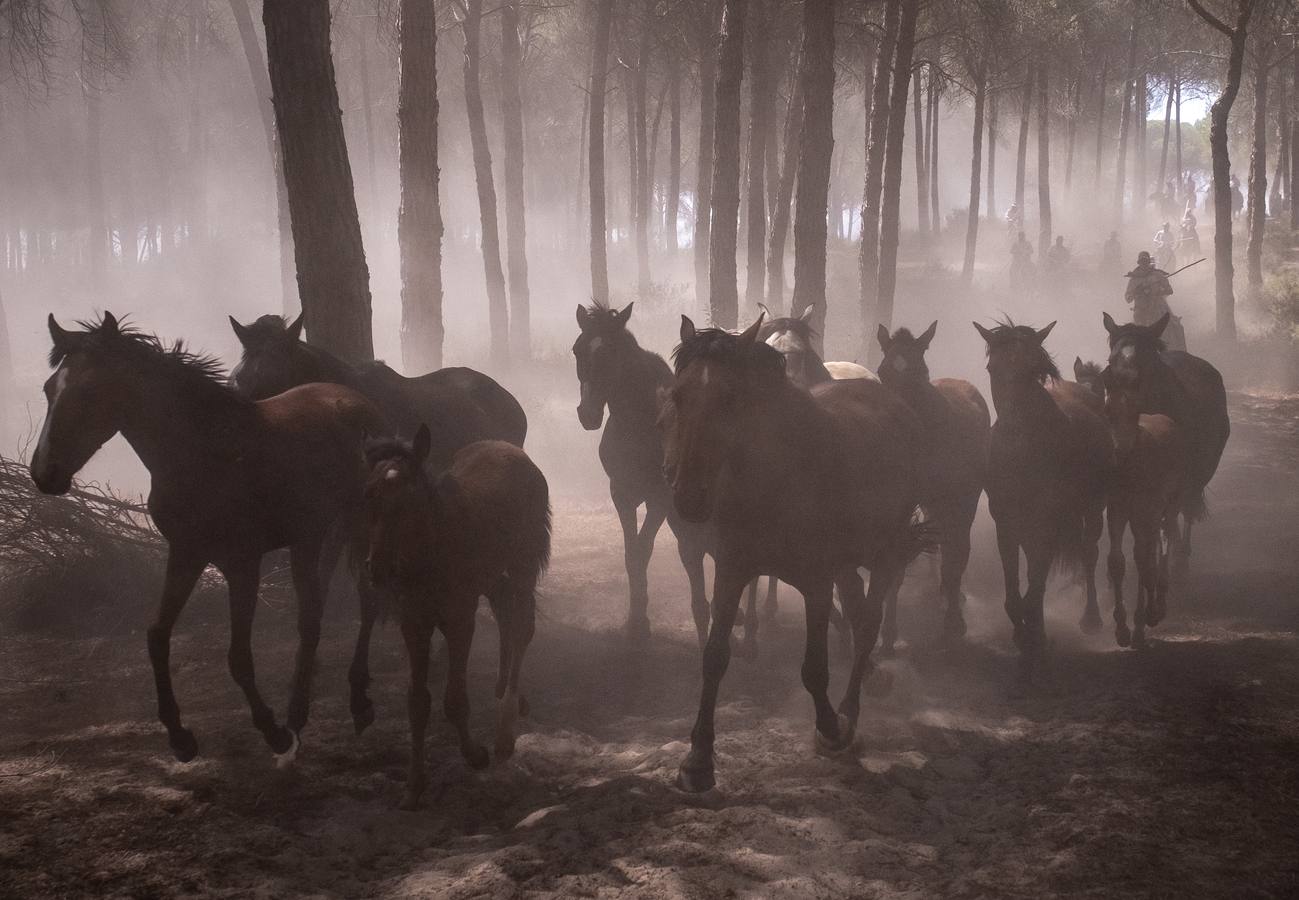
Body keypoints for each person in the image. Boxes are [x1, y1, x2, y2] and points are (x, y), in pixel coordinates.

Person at [1124, 250, 1186, 351]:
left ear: (1149, 262)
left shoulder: (1157, 275)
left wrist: (1159, 292)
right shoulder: (1134, 280)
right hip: (1141, 311)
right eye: (1142, 262)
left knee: (1176, 327)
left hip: (1158, 308)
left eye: (1146, 261)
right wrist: (1136, 291)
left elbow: (1170, 290)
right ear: (1139, 263)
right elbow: (1128, 298)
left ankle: (1179, 350)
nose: (1144, 264)